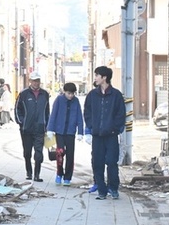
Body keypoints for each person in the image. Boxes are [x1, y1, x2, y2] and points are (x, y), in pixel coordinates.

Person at [83, 65, 126, 200]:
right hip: (97, 135)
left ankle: (113, 188)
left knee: (112, 162)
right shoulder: (92, 95)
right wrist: (90, 127)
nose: (95, 78)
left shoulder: (116, 95)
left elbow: (121, 114)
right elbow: (87, 112)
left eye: (97, 75)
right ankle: (101, 190)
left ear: (104, 77)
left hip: (111, 135)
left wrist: (115, 128)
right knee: (97, 162)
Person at [15, 72, 51, 181]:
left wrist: (47, 125)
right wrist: (21, 122)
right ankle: (29, 172)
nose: (36, 83)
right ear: (30, 81)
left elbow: (47, 111)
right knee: (27, 152)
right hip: (26, 129)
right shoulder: (24, 94)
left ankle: (37, 175)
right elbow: (17, 109)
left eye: (38, 81)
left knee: (39, 153)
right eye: (34, 81)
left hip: (40, 128)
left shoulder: (45, 94)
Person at [46, 82, 84, 185]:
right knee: (60, 152)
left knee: (70, 155)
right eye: (68, 93)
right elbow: (53, 114)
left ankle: (68, 177)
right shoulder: (59, 100)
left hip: (70, 132)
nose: (71, 95)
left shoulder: (76, 101)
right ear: (64, 92)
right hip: (60, 131)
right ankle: (59, 173)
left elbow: (79, 116)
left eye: (72, 93)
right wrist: (50, 129)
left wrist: (80, 131)